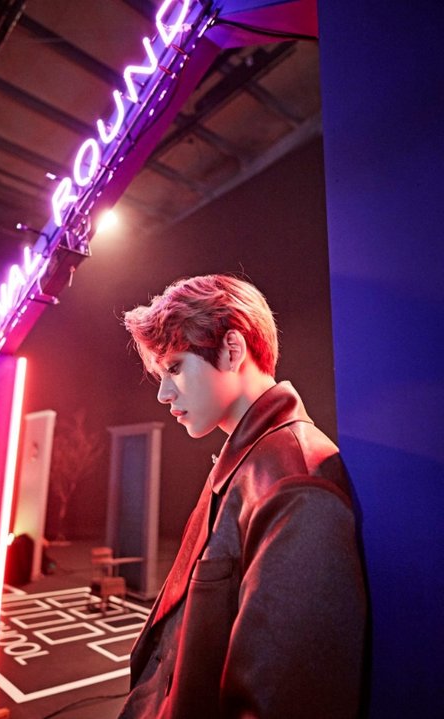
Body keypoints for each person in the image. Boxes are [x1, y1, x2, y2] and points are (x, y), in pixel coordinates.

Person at [118, 274, 367, 719]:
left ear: (232, 350)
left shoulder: (296, 483)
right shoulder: (250, 460)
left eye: (175, 368)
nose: (163, 393)